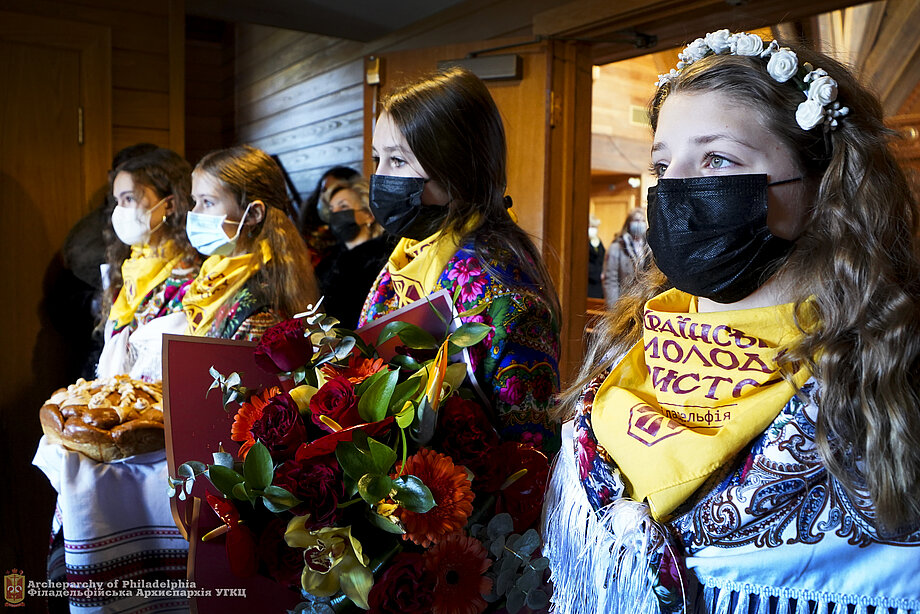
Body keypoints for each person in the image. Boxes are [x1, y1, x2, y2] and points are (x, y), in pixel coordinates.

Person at [542, 30, 920, 614]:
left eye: (718, 159)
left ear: (821, 181)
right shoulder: (630, 350)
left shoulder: (886, 374)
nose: (676, 189)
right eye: (663, 164)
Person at [361, 66, 562, 452]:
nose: (379, 176)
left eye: (398, 161)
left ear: (456, 167)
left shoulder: (503, 288)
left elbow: (527, 452)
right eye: (377, 159)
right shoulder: (411, 250)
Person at [185, 144, 320, 340]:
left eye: (208, 202)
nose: (195, 212)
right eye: (194, 201)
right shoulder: (213, 270)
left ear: (253, 214)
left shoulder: (260, 309)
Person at [95, 147, 201, 380]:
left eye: (130, 199)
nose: (120, 211)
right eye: (117, 201)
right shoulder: (131, 265)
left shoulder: (189, 277)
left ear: (169, 205)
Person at [314, 174, 391, 328]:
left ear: (368, 215)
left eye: (343, 207)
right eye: (332, 210)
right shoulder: (327, 265)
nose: (336, 214)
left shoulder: (387, 257)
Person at [297, 165, 361, 266]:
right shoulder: (306, 238)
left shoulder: (354, 241)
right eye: (324, 190)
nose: (325, 198)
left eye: (334, 192)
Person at [602, 207, 648, 308]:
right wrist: (614, 308)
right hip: (624, 301)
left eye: (642, 221)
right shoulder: (617, 246)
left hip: (644, 301)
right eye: (636, 220)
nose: (639, 223)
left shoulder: (649, 247)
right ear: (629, 223)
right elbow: (610, 280)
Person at [587, 216, 605, 299]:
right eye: (591, 227)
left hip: (598, 284)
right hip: (588, 283)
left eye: (594, 227)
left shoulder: (598, 242)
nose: (592, 229)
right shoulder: (584, 242)